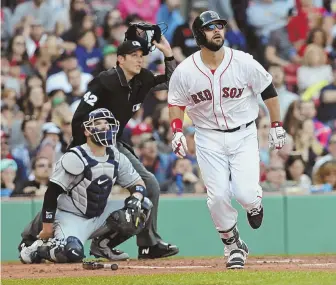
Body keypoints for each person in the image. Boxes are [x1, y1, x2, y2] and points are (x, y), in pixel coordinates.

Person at [19, 33, 179, 260]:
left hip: (115, 144)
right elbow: (79, 117)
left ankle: (146, 244)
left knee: (148, 185)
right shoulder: (106, 81)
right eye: (133, 55)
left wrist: (168, 54)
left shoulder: (142, 78)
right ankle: (30, 237)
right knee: (66, 192)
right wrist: (86, 152)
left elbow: (172, 81)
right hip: (89, 142)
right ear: (120, 59)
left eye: (141, 55)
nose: (139, 59)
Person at [167, 11, 286, 269]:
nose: (217, 30)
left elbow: (268, 89)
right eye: (210, 28)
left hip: (243, 134)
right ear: (199, 35)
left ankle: (254, 203)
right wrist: (176, 130)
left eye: (219, 25)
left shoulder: (242, 61)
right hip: (208, 137)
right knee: (218, 196)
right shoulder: (185, 70)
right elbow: (175, 103)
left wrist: (276, 124)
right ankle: (233, 246)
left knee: (245, 194)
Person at [19, 108, 152, 264]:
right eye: (98, 123)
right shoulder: (75, 157)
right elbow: (51, 193)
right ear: (87, 131)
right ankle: (38, 248)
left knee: (142, 206)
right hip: (71, 216)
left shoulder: (116, 156)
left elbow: (138, 184)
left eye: (107, 123)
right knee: (72, 254)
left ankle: (103, 245)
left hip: (99, 214)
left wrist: (136, 197)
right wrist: (47, 229)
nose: (104, 127)